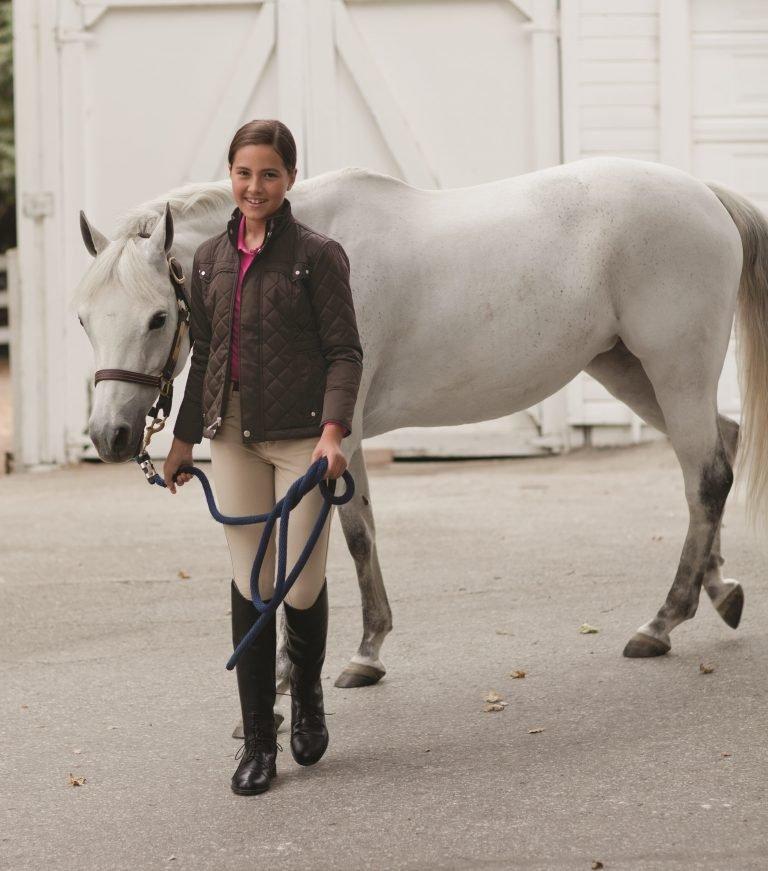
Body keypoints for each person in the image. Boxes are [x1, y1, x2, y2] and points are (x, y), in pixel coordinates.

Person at [163, 119, 363, 796]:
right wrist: (184, 440)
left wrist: (334, 432)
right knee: (252, 581)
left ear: (291, 180)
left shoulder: (318, 255)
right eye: (244, 173)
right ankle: (258, 740)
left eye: (269, 174)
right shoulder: (207, 261)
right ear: (230, 174)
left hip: (304, 438)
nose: (255, 187)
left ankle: (307, 694)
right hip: (234, 434)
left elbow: (345, 353)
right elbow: (204, 359)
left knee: (300, 585)